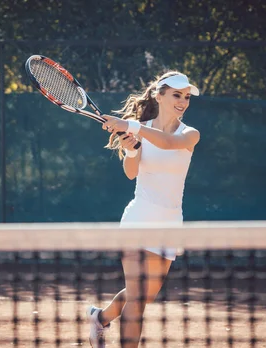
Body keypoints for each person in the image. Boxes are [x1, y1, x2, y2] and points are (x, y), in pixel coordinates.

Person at [85, 71, 201, 347]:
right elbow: (131, 172)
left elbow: (168, 143)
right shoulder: (139, 128)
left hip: (170, 225)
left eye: (186, 96)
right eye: (176, 95)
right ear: (159, 95)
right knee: (137, 301)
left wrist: (131, 126)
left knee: (144, 295)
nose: (183, 101)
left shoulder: (189, 134)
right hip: (139, 219)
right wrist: (133, 151)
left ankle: (99, 318)